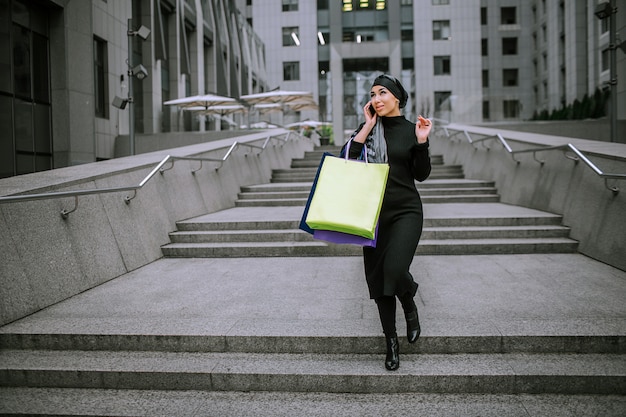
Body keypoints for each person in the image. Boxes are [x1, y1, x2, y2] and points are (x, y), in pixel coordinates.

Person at [343, 74, 432, 371]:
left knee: (394, 269)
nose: (377, 99)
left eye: (383, 93)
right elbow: (347, 162)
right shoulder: (369, 130)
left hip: (406, 211)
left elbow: (421, 174)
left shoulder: (412, 130)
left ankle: (409, 303)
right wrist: (367, 126)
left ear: (397, 97)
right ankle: (391, 342)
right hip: (373, 214)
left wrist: (421, 142)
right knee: (380, 282)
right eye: (372, 94)